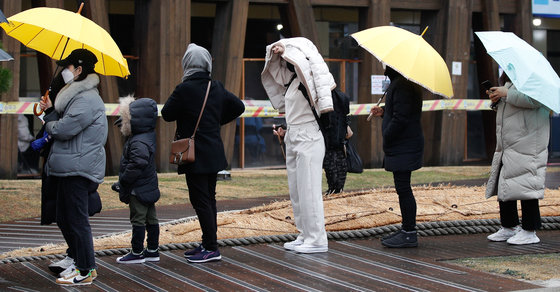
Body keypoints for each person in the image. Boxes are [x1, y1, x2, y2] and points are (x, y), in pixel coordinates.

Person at [162, 43, 245, 263]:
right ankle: (209, 243)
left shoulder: (184, 88)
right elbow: (239, 106)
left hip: (194, 154)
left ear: (186, 63)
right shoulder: (215, 87)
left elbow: (166, 114)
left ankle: (211, 247)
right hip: (214, 152)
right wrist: (216, 121)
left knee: (201, 201)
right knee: (209, 199)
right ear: (207, 63)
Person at [40, 48, 108, 285]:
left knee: (77, 219)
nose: (65, 71)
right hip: (71, 164)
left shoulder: (87, 99)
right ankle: (76, 257)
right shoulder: (76, 97)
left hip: (79, 167)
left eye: (68, 67)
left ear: (79, 70)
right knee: (63, 215)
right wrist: (50, 111)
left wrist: (49, 116)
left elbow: (63, 129)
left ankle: (86, 269)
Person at [261, 37, 335, 253]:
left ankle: (317, 239)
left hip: (309, 136)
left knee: (309, 189)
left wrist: (286, 50)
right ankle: (305, 234)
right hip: (295, 135)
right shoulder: (293, 81)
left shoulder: (309, 77)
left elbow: (306, 65)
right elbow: (277, 73)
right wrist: (277, 54)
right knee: (297, 190)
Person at [485, 73, 550, 245]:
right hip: (510, 144)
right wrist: (497, 101)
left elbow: (535, 100)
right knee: (505, 183)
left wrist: (507, 94)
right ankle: (509, 226)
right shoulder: (511, 83)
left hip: (528, 144)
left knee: (527, 185)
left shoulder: (535, 80)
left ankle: (530, 230)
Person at [369, 66, 423, 248]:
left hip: (403, 144)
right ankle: (407, 229)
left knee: (404, 188)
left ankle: (409, 233)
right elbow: (401, 110)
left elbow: (401, 118)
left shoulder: (402, 85)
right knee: (403, 188)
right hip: (406, 143)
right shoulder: (404, 84)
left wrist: (388, 134)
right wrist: (384, 112)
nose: (384, 69)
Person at [112, 97, 161, 264]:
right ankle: (153, 250)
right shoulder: (146, 136)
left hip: (137, 188)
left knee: (138, 219)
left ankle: (137, 252)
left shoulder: (138, 141)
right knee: (151, 218)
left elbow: (137, 163)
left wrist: (123, 181)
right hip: (148, 185)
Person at [323, 89, 352, 195]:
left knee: (330, 162)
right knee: (340, 161)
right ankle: (338, 188)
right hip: (340, 136)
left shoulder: (324, 98)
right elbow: (346, 115)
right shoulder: (343, 97)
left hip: (328, 136)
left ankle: (333, 188)